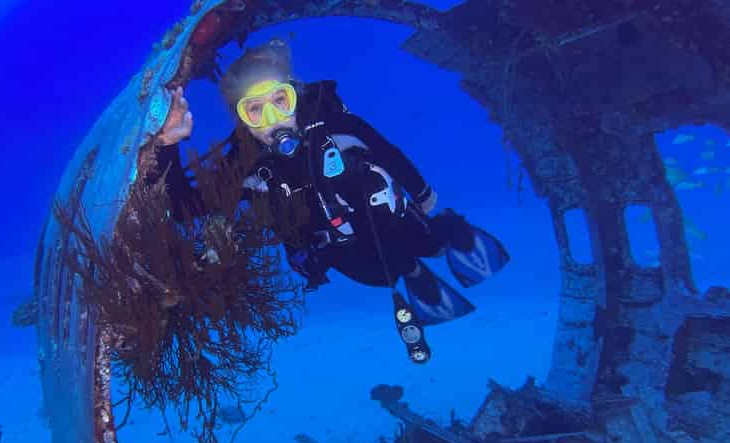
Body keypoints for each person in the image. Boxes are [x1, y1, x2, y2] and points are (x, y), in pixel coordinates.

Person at [151, 39, 509, 363]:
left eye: (280, 101)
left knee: (428, 242)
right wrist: (168, 144)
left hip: (395, 219)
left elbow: (388, 153)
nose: (274, 119)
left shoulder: (339, 127)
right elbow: (184, 207)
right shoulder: (246, 167)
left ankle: (445, 235)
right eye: (256, 110)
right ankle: (414, 274)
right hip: (342, 253)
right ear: (242, 120)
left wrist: (425, 198)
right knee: (383, 273)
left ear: (295, 94)